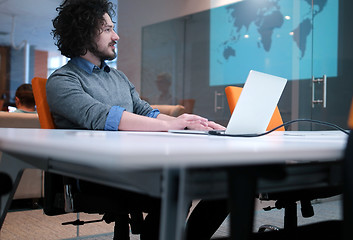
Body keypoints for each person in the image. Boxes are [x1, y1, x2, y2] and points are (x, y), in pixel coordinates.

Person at [48, 0, 228, 239]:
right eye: (107, 29)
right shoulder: (62, 81)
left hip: (138, 165)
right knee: (175, 191)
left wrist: (189, 122)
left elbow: (146, 111)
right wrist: (168, 125)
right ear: (83, 33)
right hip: (99, 176)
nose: (117, 36)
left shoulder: (118, 78)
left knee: (228, 183)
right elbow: (102, 117)